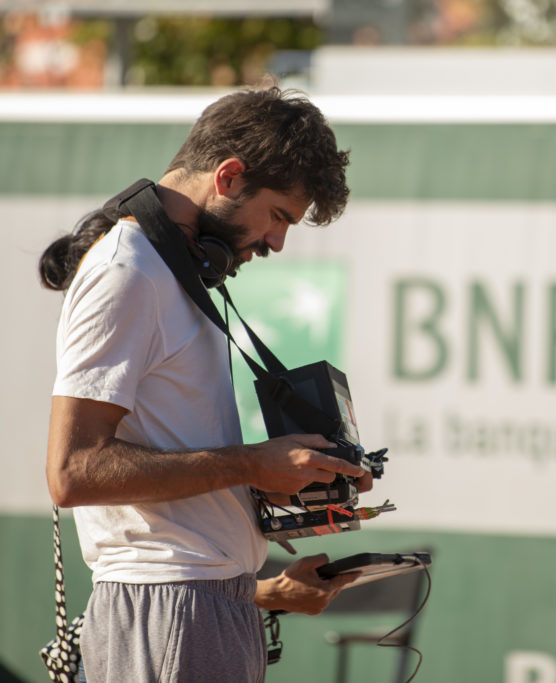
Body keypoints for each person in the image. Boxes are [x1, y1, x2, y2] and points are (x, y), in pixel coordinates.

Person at [39, 87, 372, 682]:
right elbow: (73, 472)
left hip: (205, 604)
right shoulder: (129, 270)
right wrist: (250, 466)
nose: (276, 242)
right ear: (229, 175)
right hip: (173, 609)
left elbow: (168, 471)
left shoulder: (166, 269)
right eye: (277, 216)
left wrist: (271, 502)